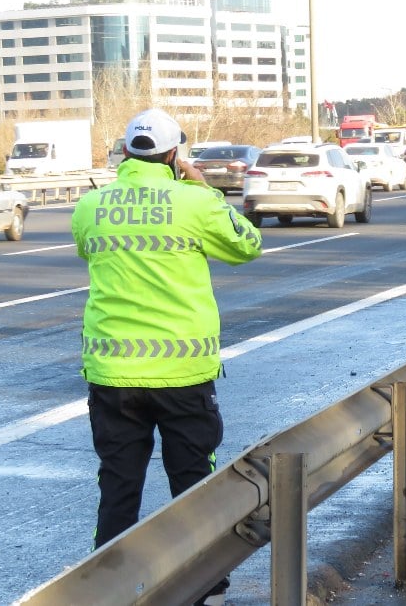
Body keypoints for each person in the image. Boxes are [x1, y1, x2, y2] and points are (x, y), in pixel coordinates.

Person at [71, 108, 263, 606]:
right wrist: (201, 188)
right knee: (194, 483)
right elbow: (248, 245)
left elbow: (86, 251)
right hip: (182, 373)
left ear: (125, 151)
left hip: (113, 374)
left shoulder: (91, 206)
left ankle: (106, 591)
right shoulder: (193, 203)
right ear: (175, 154)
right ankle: (208, 590)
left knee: (117, 486)